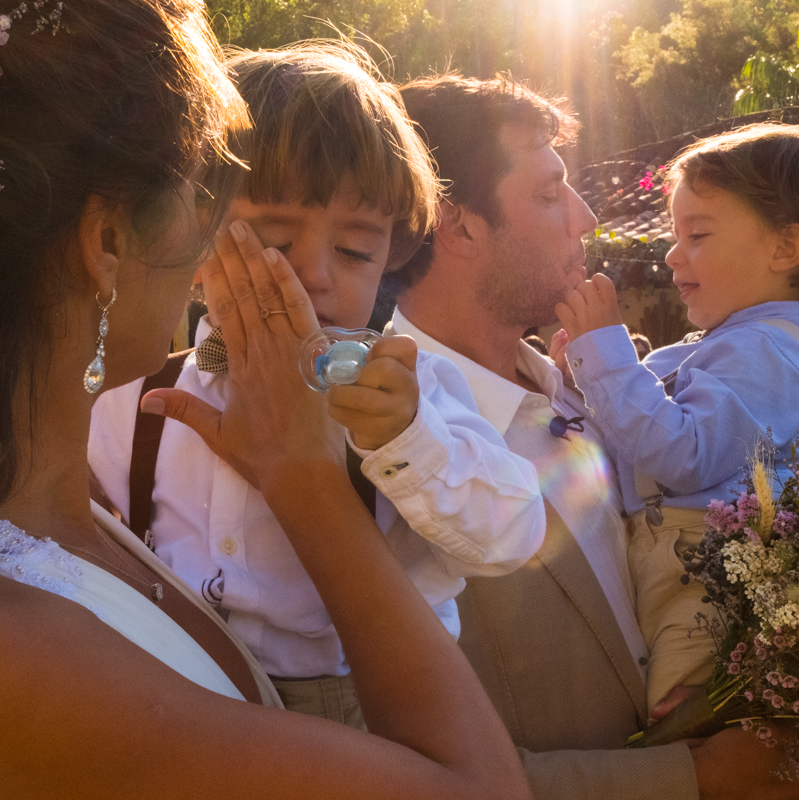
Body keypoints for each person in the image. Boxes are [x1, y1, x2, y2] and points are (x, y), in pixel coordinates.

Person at [0, 4, 532, 798]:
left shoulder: (55, 512)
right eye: (204, 193)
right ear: (108, 242)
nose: (207, 237)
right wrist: (301, 473)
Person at [392, 74, 799, 800]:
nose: (586, 217)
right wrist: (692, 777)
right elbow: (401, 769)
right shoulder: (391, 446)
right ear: (458, 225)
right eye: (550, 193)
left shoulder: (588, 392)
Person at [88, 43, 545, 726]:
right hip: (191, 697)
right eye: (274, 241)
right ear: (192, 239)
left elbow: (513, 536)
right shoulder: (132, 398)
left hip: (370, 709)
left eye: (356, 250)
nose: (317, 276)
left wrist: (408, 441)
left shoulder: (410, 391)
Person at [556, 123, 799, 713]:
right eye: (676, 233)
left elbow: (683, 454)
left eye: (698, 234)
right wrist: (584, 373)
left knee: (678, 727)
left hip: (705, 581)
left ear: (785, 248)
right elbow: (635, 433)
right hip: (678, 564)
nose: (672, 254)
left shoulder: (767, 353)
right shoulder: (727, 344)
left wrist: (604, 354)